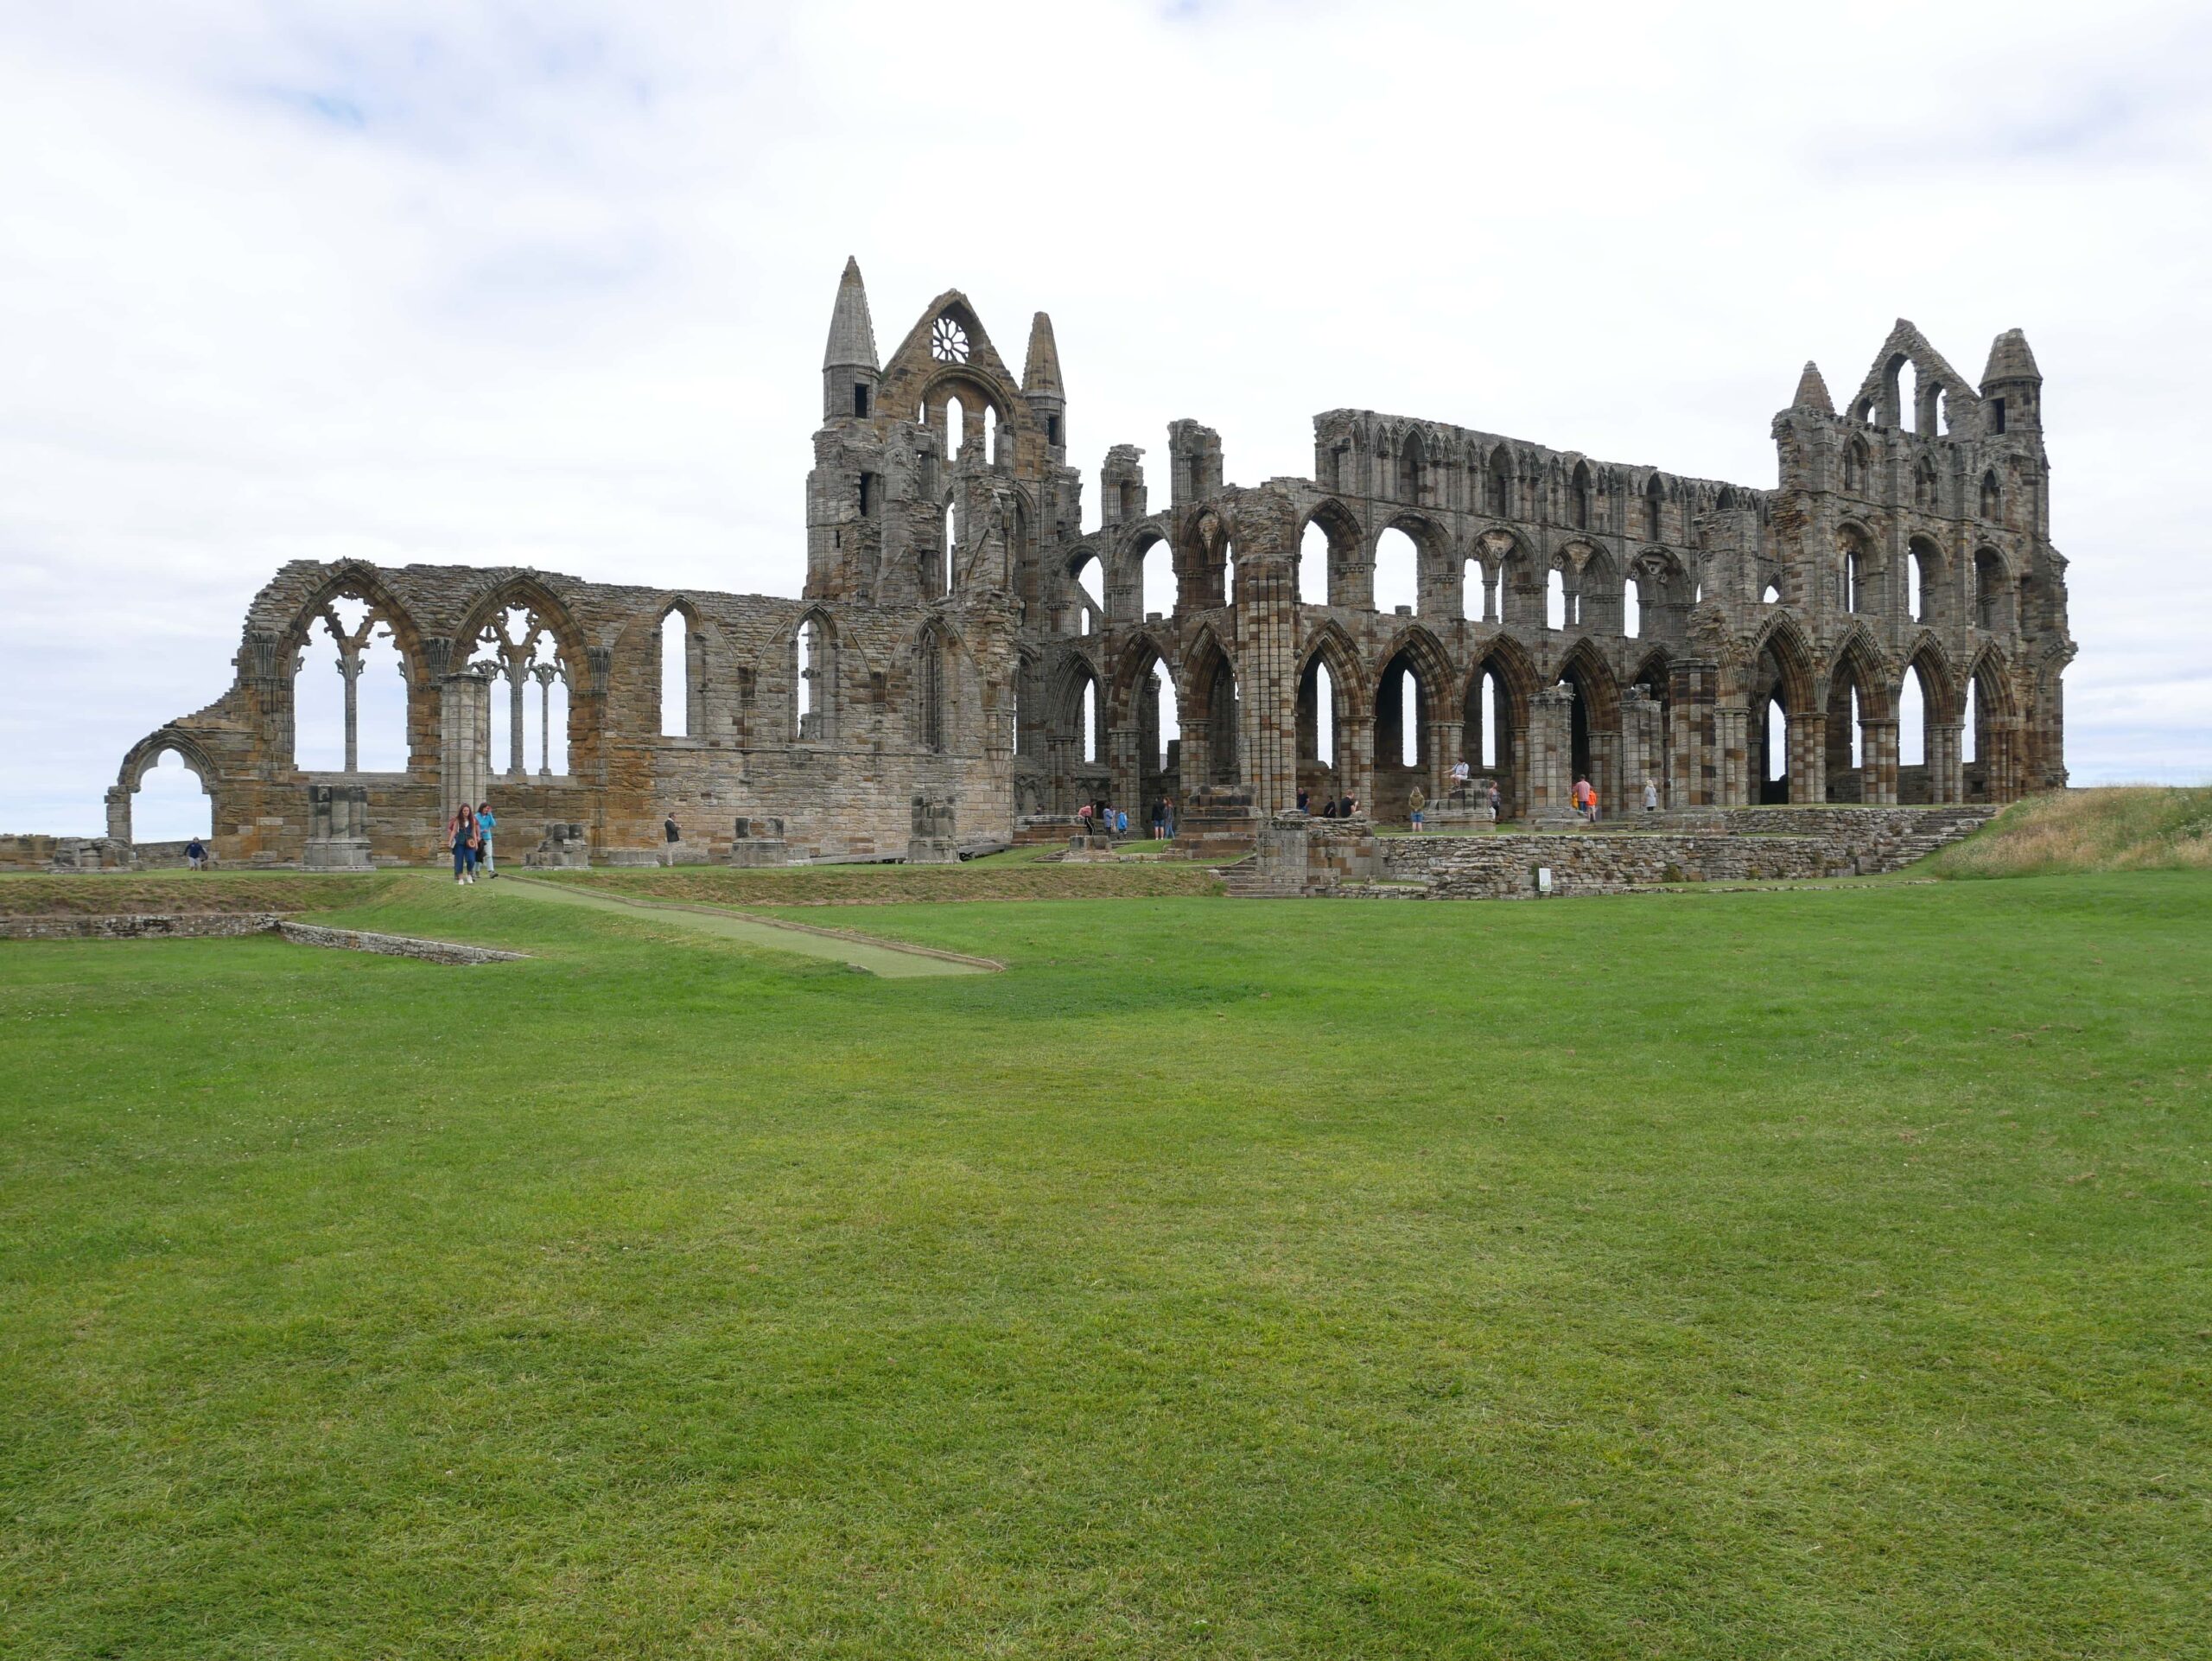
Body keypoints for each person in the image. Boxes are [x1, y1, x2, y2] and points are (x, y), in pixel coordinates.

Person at [446, 805, 477, 884]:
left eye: (467, 811)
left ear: (470, 812)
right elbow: (454, 831)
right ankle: (460, 878)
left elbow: (474, 833)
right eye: (464, 811)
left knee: (471, 860)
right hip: (460, 841)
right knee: (459, 860)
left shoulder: (472, 820)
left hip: (470, 842)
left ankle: (469, 874)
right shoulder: (458, 820)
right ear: (461, 811)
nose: (466, 812)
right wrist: (450, 841)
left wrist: (476, 844)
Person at [474, 800, 499, 878]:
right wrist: (481, 831)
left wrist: (490, 815)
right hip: (479, 839)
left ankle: (491, 871)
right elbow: (474, 828)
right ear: (481, 808)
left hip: (487, 838)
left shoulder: (488, 816)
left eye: (487, 809)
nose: (486, 810)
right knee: (479, 856)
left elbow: (493, 824)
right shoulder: (477, 816)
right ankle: (476, 871)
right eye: (485, 808)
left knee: (489, 855)